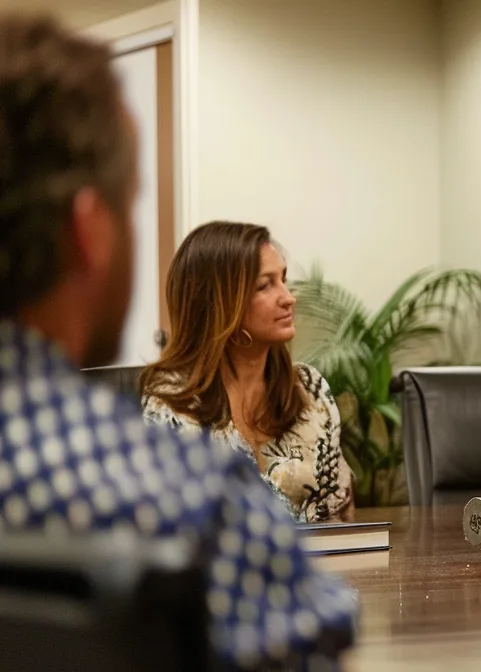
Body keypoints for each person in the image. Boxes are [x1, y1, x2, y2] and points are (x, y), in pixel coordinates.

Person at [0, 14, 355, 667]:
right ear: (89, 232)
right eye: (129, 203)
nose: (286, 296)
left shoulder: (305, 397)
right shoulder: (197, 505)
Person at [141, 221, 353, 523]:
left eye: (283, 280)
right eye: (265, 286)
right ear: (219, 303)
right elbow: (177, 526)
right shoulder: (173, 404)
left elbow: (341, 516)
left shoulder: (309, 389)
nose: (288, 297)